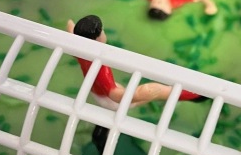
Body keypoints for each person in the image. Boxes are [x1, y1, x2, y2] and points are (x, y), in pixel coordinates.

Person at [67, 14, 205, 108]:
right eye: (102, 31)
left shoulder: (83, 51)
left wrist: (71, 27)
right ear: (98, 38)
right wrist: (139, 94)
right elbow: (115, 95)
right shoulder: (100, 67)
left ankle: (193, 95)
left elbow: (73, 40)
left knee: (158, 91)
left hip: (96, 91)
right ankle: (195, 95)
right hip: (111, 101)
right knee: (159, 91)